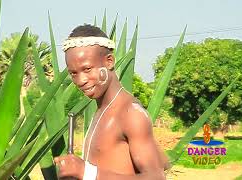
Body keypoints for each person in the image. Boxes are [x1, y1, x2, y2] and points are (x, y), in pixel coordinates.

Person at [54, 24, 166, 180]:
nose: (81, 81)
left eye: (87, 69)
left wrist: (87, 172)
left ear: (109, 61)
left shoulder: (130, 113)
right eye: (73, 73)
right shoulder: (101, 110)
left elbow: (156, 177)